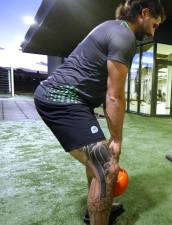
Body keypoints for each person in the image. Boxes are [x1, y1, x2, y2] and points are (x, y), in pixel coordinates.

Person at [33, 0, 165, 224]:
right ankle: (98, 212)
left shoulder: (113, 28)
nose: (155, 30)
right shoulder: (125, 37)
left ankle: (95, 209)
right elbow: (114, 96)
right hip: (61, 98)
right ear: (144, 13)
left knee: (97, 156)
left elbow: (108, 94)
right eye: (155, 23)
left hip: (77, 102)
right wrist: (116, 139)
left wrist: (111, 140)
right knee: (107, 166)